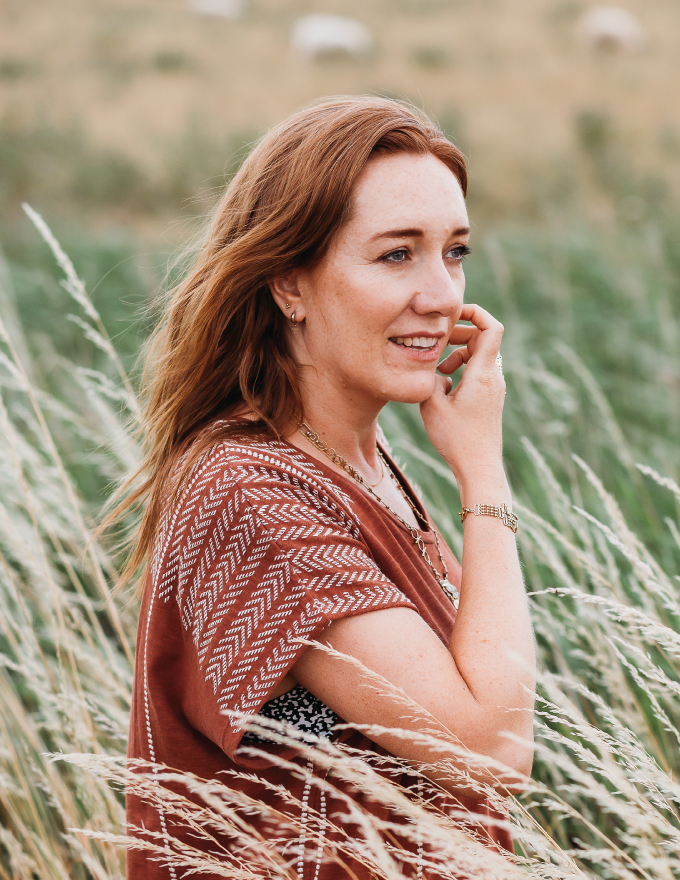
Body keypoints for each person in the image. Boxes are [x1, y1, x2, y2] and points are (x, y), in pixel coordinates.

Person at [122, 96, 535, 879]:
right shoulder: (250, 489)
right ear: (290, 285)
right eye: (395, 255)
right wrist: (483, 468)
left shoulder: (360, 466)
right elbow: (490, 752)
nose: (443, 295)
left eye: (455, 252)